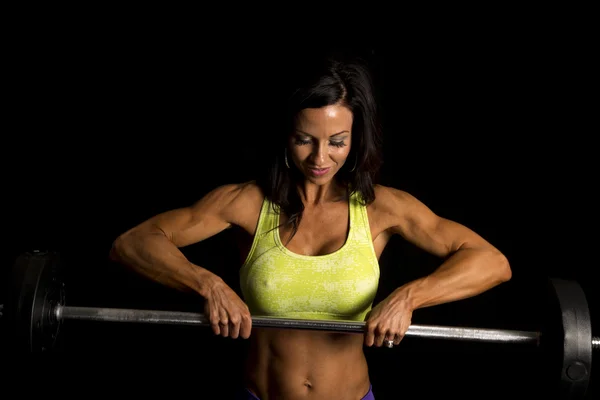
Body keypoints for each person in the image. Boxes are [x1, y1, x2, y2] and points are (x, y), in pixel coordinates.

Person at [109, 51, 512, 400]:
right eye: (305, 139)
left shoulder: (382, 208)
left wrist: (411, 297)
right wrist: (208, 284)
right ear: (286, 135)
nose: (320, 157)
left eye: (337, 141)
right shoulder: (248, 203)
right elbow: (133, 242)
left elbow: (491, 262)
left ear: (356, 138)